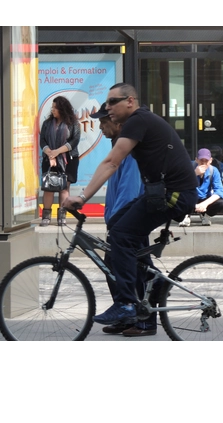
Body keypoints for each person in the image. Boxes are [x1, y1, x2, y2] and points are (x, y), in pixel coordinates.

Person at [63, 83, 198, 328]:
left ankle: (127, 303)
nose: (108, 108)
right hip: (162, 193)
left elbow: (111, 163)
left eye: (113, 102)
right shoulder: (137, 123)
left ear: (130, 101)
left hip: (175, 195)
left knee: (121, 233)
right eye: (106, 103)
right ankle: (148, 287)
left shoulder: (138, 120)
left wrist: (81, 197)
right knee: (117, 229)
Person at [91, 102, 157, 337]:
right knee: (117, 268)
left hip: (130, 219)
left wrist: (118, 223)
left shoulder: (130, 150)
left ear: (118, 122)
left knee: (138, 270)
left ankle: (145, 321)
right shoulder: (118, 146)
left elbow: (129, 192)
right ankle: (127, 315)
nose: (101, 127)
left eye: (103, 122)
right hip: (122, 219)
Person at [39, 95, 81, 227]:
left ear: (62, 109)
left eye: (55, 108)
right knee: (48, 188)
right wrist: (50, 153)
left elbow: (74, 141)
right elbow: (43, 141)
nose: (53, 110)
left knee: (64, 187)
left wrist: (57, 152)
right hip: (49, 159)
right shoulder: (47, 123)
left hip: (68, 159)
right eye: (52, 108)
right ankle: (46, 217)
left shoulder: (73, 123)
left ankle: (62, 216)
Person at [179, 148, 223, 227]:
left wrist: (204, 204)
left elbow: (219, 192)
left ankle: (205, 215)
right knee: (178, 198)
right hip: (190, 198)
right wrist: (194, 174)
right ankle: (185, 215)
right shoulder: (188, 168)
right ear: (196, 160)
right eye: (201, 161)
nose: (203, 163)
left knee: (221, 203)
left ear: (210, 160)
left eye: (206, 161)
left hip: (204, 198)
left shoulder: (214, 170)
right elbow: (180, 185)